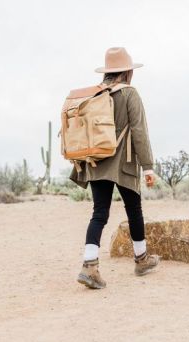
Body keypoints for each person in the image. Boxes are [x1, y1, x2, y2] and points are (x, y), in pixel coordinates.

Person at [70, 47, 160, 289]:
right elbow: (139, 131)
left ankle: (89, 266)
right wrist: (148, 167)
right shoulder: (130, 94)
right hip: (123, 162)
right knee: (134, 209)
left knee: (99, 213)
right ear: (128, 72)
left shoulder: (95, 94)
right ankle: (141, 260)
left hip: (96, 160)